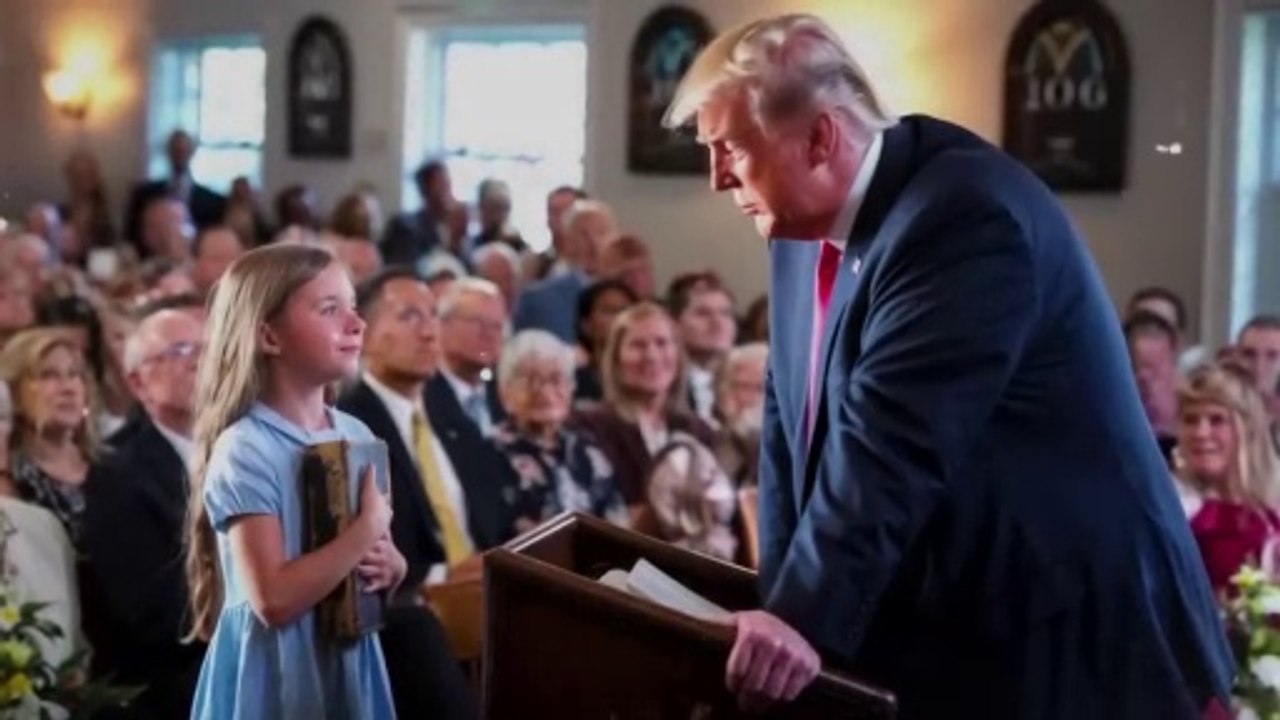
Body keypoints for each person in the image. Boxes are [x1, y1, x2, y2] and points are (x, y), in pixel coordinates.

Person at [665, 13, 1232, 717]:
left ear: (820, 136)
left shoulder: (961, 214)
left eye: (730, 148)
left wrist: (804, 621)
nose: (717, 178)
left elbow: (892, 441)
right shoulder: (795, 229)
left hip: (1072, 640)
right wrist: (783, 611)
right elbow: (792, 435)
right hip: (964, 632)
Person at [184, 245, 402, 718]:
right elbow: (274, 600)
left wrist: (390, 566)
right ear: (269, 335)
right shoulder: (246, 448)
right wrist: (366, 531)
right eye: (329, 310)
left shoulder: (356, 434)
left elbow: (375, 563)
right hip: (275, 672)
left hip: (345, 658)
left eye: (354, 308)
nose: (356, 323)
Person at [83, 310, 206, 719]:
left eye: (207, 349)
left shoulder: (247, 446)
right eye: (181, 350)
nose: (198, 361)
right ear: (138, 382)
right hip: (172, 684)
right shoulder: (117, 473)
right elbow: (158, 615)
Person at [493, 330, 627, 533]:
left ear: (571, 388)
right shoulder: (489, 453)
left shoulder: (587, 448)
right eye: (531, 380)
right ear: (504, 393)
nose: (545, 391)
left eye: (556, 379)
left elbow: (618, 522)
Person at [1174, 362, 1280, 596]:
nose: (1201, 433)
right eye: (1191, 420)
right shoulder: (1170, 510)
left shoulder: (1274, 509)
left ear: (1248, 429)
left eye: (1216, 420)